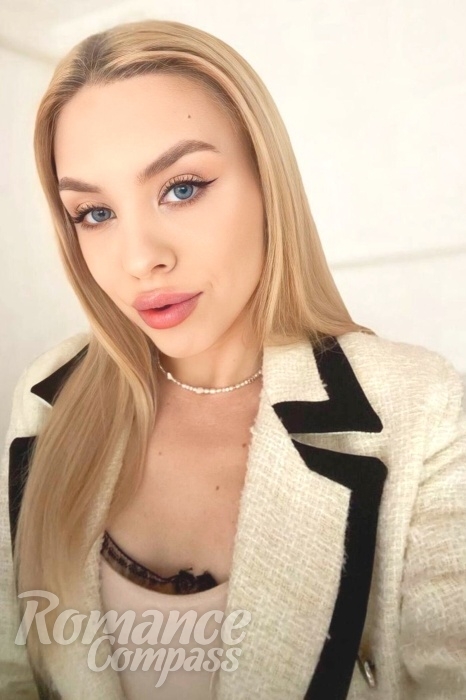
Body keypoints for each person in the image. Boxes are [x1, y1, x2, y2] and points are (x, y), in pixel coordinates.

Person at [1, 18, 465, 700]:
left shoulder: (420, 409)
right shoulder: (49, 395)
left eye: (182, 187)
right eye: (95, 213)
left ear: (266, 183)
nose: (140, 259)